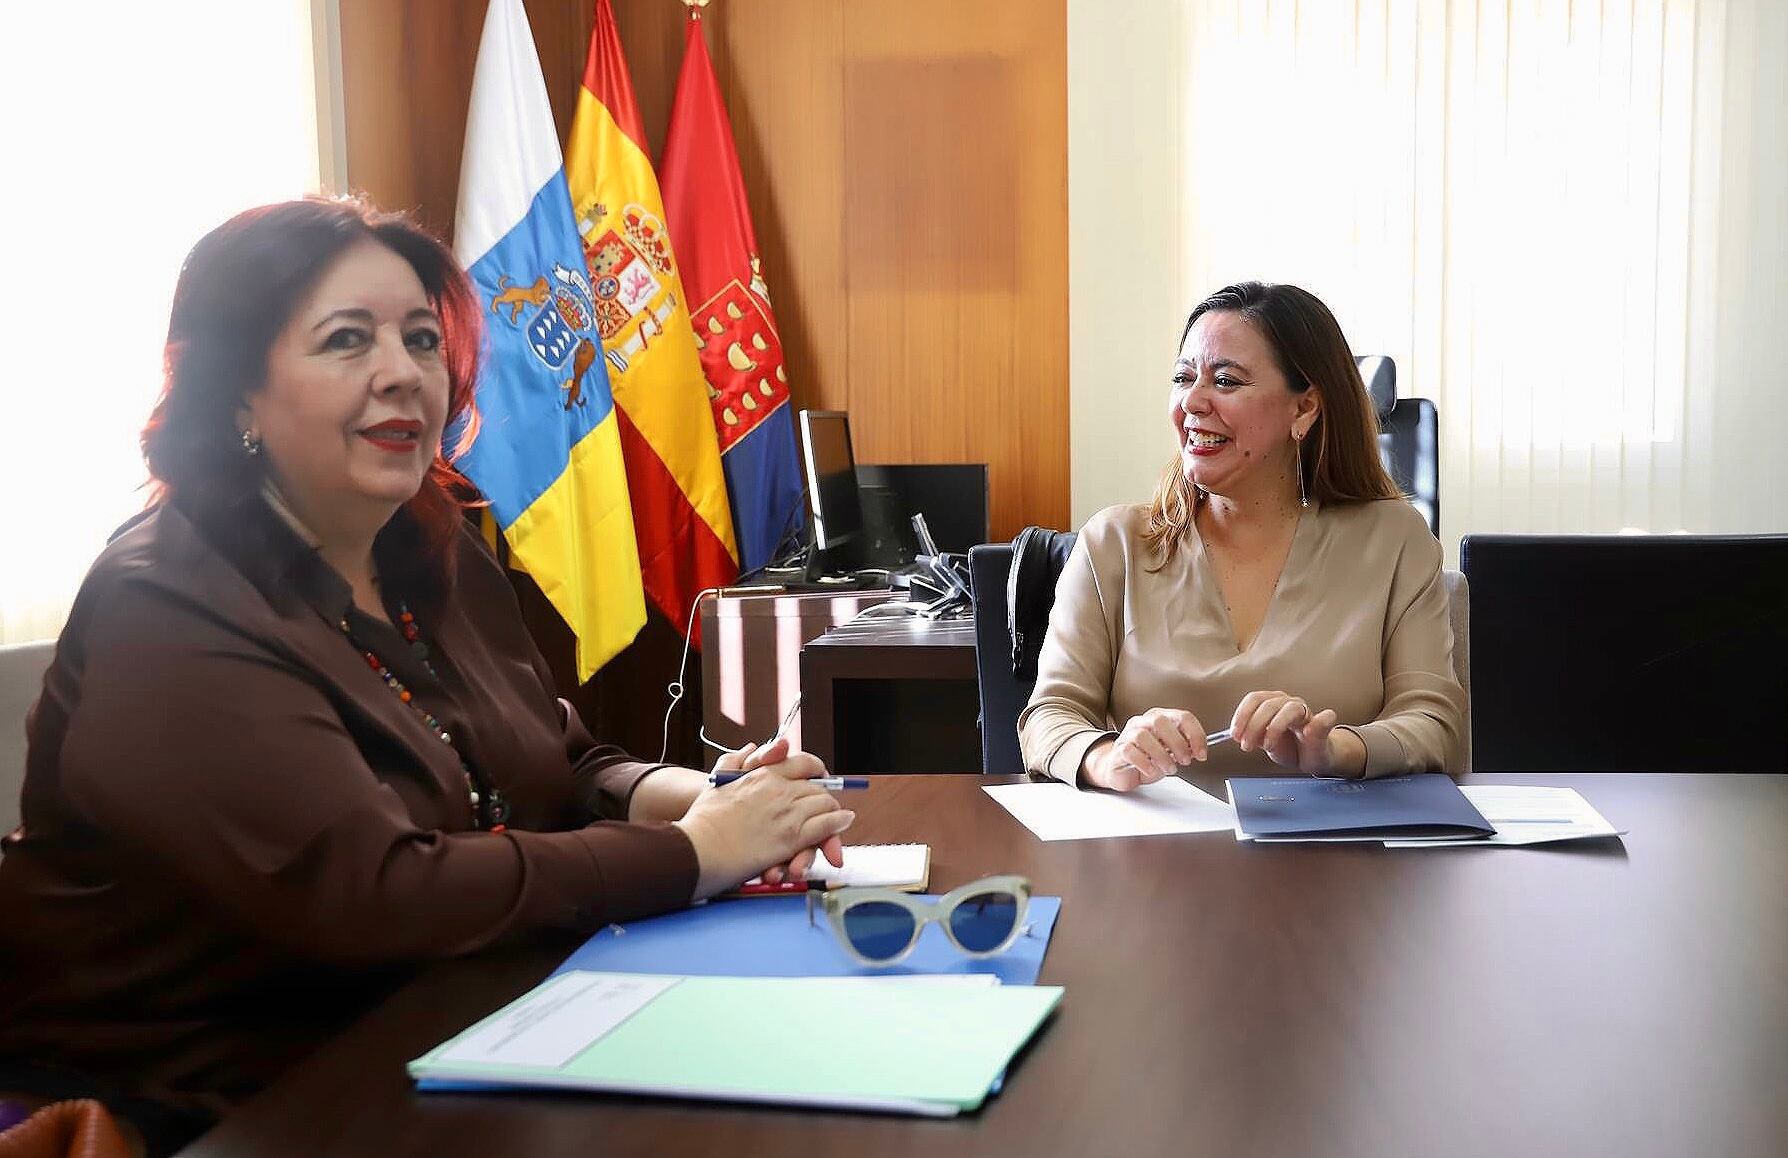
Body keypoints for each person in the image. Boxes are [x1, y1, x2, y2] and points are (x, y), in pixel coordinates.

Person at [0, 197, 854, 1152]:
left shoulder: (426, 546)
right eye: (345, 341)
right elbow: (374, 893)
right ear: (237, 393)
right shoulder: (164, 603)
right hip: (217, 1093)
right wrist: (698, 853)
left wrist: (692, 794)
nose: (403, 374)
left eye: (418, 338)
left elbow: (553, 761)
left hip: (451, 1020)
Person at [1019, 281, 1466, 791]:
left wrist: (1337, 748)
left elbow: (1436, 727)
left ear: (1304, 409)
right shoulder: (1114, 543)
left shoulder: (1393, 539)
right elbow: (1049, 717)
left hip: (1334, 856)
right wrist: (1107, 757)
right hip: (1154, 854)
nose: (1192, 401)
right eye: (1183, 378)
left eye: (1226, 381)